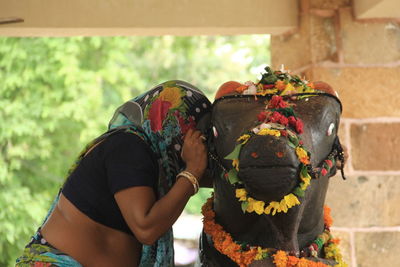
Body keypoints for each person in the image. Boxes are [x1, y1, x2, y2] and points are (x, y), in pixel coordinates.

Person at [16, 80, 213, 267]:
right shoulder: (128, 146)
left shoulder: (156, 169)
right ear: (172, 123)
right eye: (194, 135)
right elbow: (146, 228)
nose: (197, 146)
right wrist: (192, 171)